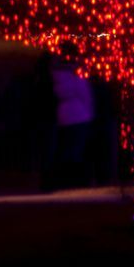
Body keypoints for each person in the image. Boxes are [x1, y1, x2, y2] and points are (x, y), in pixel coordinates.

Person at [49, 56, 94, 189]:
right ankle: (78, 180)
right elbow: (85, 95)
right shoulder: (76, 78)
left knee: (67, 149)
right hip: (81, 116)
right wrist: (90, 114)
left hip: (64, 117)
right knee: (78, 150)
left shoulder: (57, 80)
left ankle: (67, 179)